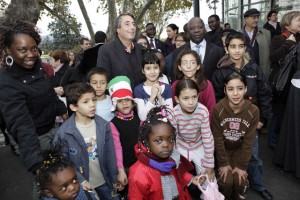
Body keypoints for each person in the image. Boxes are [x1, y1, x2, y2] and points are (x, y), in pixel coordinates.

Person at [0, 20, 68, 200]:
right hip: (35, 139)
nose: (30, 54)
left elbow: (49, 92)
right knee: (46, 185)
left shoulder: (36, 64)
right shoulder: (6, 82)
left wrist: (63, 112)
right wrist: (36, 164)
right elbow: (21, 124)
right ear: (8, 50)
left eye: (34, 48)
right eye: (22, 50)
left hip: (53, 129)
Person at [212, 32, 273, 200]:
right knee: (227, 150)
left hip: (250, 121)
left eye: (240, 46)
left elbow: (265, 93)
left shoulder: (254, 68)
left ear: (245, 48)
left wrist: (263, 118)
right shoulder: (221, 72)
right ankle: (230, 183)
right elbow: (217, 99)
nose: (237, 50)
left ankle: (259, 186)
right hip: (229, 122)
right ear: (226, 48)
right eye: (233, 47)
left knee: (253, 154)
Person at [52, 83, 120, 199]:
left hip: (105, 181)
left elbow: (110, 154)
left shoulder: (103, 126)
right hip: (82, 185)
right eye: (86, 102)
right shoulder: (64, 133)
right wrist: (80, 180)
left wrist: (114, 177)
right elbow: (64, 162)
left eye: (94, 100)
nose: (92, 105)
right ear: (74, 107)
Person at [128, 106, 202, 200]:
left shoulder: (173, 159)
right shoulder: (138, 174)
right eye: (158, 141)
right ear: (147, 143)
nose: (166, 145)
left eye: (170, 139)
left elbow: (177, 173)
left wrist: (190, 179)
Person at [212, 72, 259, 200]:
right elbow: (218, 139)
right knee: (227, 182)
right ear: (225, 90)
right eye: (230, 89)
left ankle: (240, 194)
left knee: (240, 181)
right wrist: (223, 163)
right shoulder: (218, 109)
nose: (236, 93)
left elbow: (249, 142)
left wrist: (242, 166)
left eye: (240, 88)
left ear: (246, 89)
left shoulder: (253, 111)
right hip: (224, 150)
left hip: (240, 149)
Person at [273, 11, 300, 179]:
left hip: (296, 86)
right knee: (283, 121)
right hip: (284, 87)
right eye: (299, 20)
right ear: (288, 23)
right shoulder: (280, 39)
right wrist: (287, 46)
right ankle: (280, 153)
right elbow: (273, 58)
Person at [170, 79, 215, 175]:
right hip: (180, 145)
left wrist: (210, 164)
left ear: (198, 96)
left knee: (208, 179)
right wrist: (175, 157)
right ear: (177, 99)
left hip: (198, 145)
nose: (191, 102)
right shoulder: (174, 113)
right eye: (185, 98)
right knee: (177, 175)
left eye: (194, 97)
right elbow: (173, 138)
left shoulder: (203, 111)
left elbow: (207, 137)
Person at [108, 76, 140, 199]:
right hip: (126, 166)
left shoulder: (139, 118)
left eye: (127, 99)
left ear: (132, 102)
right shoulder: (113, 123)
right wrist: (121, 171)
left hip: (141, 163)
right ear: (115, 104)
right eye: (120, 101)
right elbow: (117, 147)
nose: (124, 103)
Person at [97, 12, 144, 88]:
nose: (132, 27)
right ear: (118, 29)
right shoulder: (106, 50)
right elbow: (103, 80)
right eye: (127, 24)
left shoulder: (141, 49)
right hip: (118, 98)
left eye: (133, 24)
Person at [172, 17, 224, 82]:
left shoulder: (218, 51)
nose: (196, 30)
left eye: (200, 27)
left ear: (204, 28)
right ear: (187, 31)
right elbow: (176, 77)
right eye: (192, 28)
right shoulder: (177, 52)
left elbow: (221, 78)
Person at [172, 50, 216, 122]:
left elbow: (211, 109)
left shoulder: (206, 84)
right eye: (185, 63)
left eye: (192, 63)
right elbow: (173, 108)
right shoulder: (175, 85)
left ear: (198, 66)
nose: (188, 66)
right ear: (179, 67)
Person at [134, 51, 173, 121]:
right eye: (148, 68)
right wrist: (152, 97)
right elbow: (143, 117)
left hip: (164, 128)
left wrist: (160, 97)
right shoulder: (138, 90)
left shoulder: (167, 88)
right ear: (143, 71)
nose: (152, 72)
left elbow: (170, 116)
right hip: (147, 130)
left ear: (159, 69)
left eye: (155, 68)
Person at [242, 8, 271, 79]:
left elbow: (270, 51)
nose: (256, 20)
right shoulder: (238, 34)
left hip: (262, 70)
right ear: (246, 19)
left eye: (258, 17)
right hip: (245, 71)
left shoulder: (266, 33)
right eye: (253, 18)